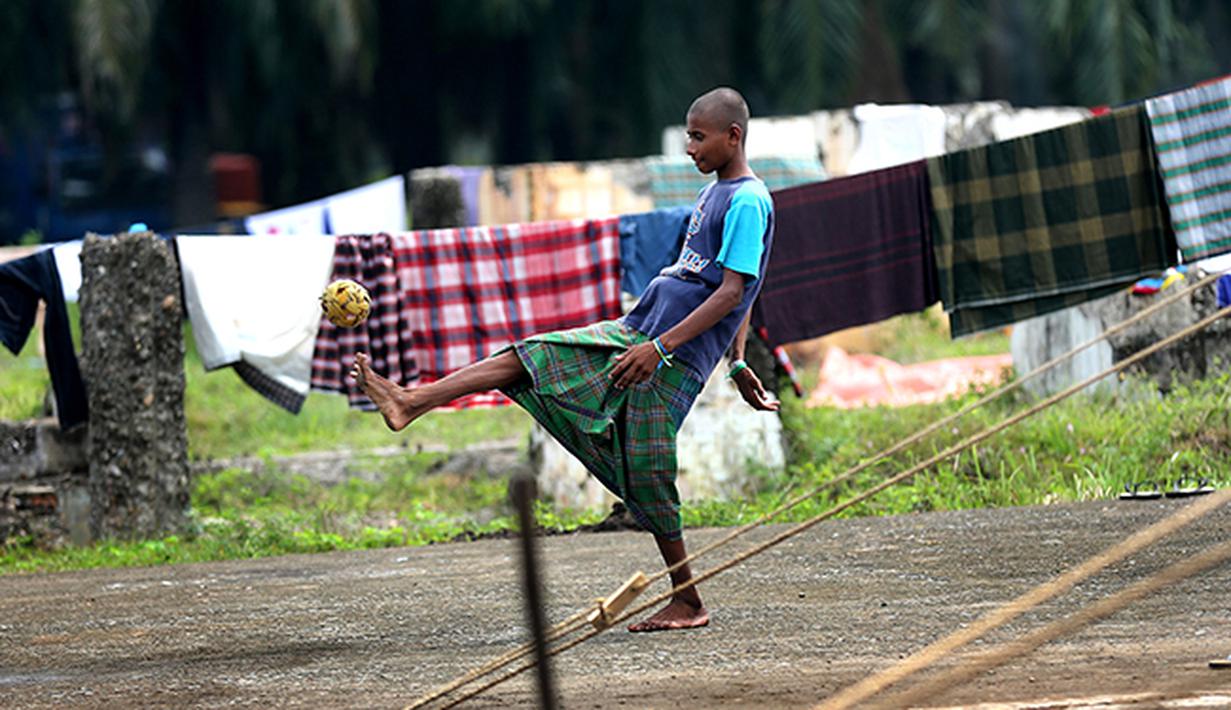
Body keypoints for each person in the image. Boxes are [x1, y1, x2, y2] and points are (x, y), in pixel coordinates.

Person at [351, 86, 778, 632]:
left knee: (645, 474)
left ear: (732, 136)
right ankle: (412, 400)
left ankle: (689, 601)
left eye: (698, 136)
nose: (690, 147)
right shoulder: (716, 193)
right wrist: (737, 361)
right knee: (536, 360)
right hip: (637, 332)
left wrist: (664, 349)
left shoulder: (747, 200)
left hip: (664, 355)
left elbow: (735, 291)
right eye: (689, 135)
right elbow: (740, 282)